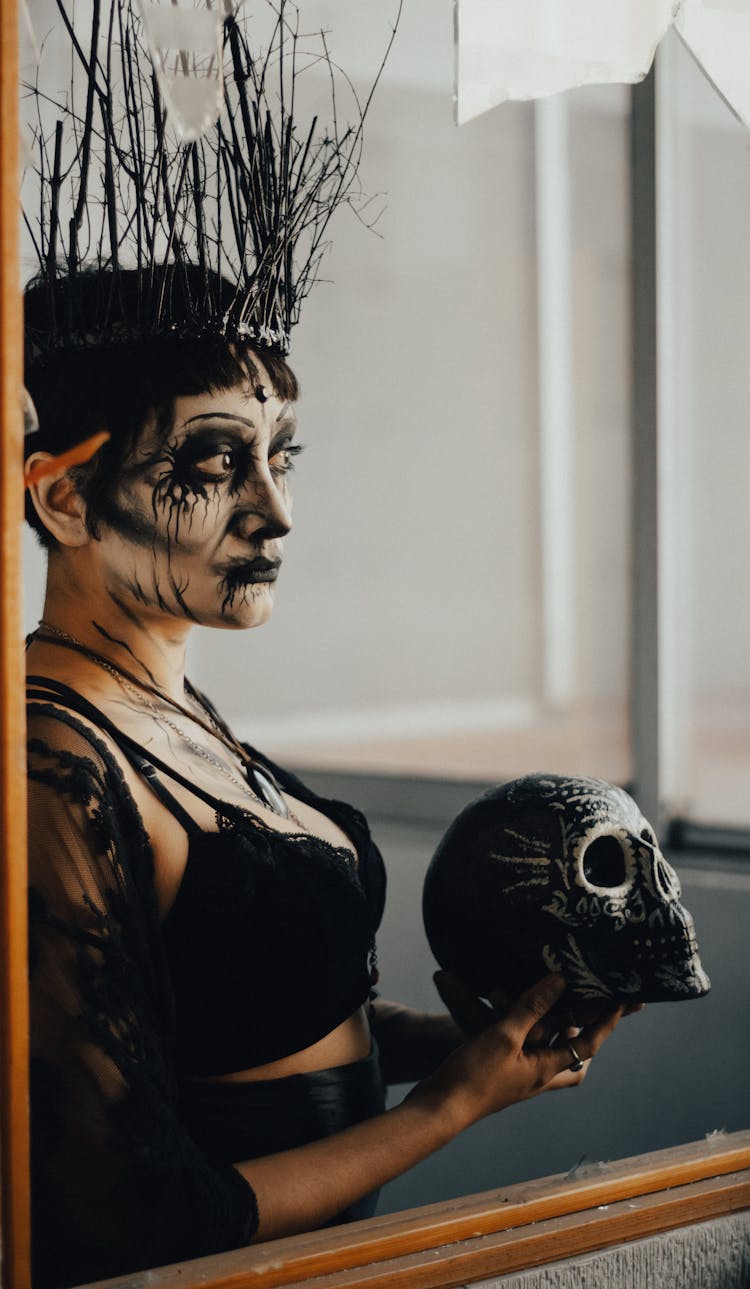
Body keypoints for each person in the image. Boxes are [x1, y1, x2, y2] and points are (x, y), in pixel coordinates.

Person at [21, 5, 635, 1284]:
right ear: (61, 496)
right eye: (212, 461)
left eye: (279, 455)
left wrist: (461, 1041)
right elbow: (123, 1216)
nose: (277, 507)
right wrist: (447, 1110)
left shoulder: (169, 717)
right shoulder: (50, 772)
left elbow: (226, 1021)